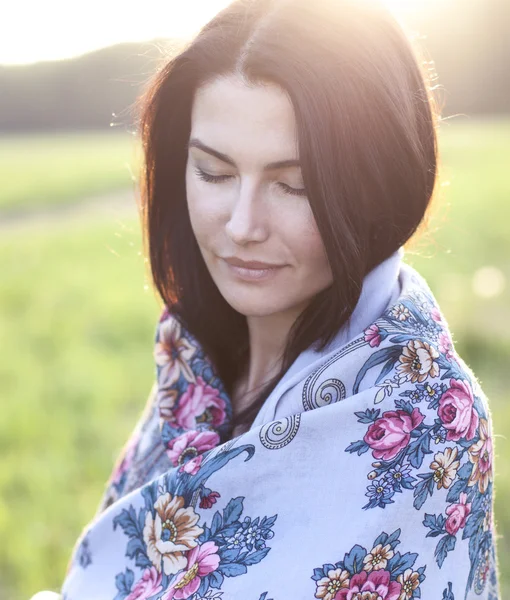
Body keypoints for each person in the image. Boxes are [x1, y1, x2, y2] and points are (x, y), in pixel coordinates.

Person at [48, 0, 501, 598]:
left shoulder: (426, 421)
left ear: (378, 183)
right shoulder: (199, 357)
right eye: (214, 172)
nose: (242, 225)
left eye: (295, 185)